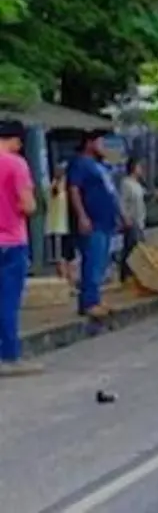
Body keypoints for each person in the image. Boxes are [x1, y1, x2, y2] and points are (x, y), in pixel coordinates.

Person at [0, 120, 39, 376]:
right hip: (11, 241)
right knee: (8, 301)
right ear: (15, 140)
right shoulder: (16, 164)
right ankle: (9, 356)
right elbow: (28, 205)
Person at [67, 129, 120, 319]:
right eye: (100, 142)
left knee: (101, 260)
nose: (103, 146)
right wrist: (82, 215)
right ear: (89, 143)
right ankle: (89, 301)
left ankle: (95, 298)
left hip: (106, 219)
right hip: (93, 219)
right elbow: (74, 190)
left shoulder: (99, 165)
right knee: (93, 259)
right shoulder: (80, 164)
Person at [46, 162, 76, 283]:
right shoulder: (54, 186)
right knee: (61, 256)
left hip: (67, 226)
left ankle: (71, 280)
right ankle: (63, 280)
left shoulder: (67, 186)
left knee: (70, 255)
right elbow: (54, 192)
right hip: (58, 226)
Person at [119, 158, 148, 281]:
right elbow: (122, 202)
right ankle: (126, 275)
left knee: (136, 248)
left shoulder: (138, 183)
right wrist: (125, 217)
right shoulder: (126, 183)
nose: (141, 170)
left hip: (140, 220)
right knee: (132, 249)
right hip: (132, 221)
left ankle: (133, 274)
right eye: (139, 167)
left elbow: (142, 196)